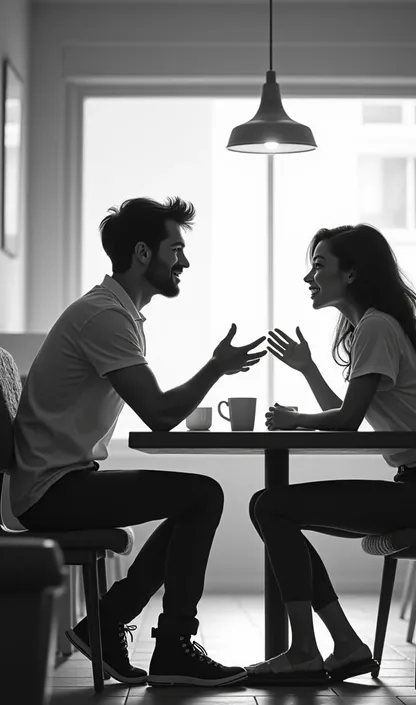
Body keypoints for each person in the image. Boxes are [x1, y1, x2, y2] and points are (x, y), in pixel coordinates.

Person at [11, 196, 267, 688]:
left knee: (194, 499)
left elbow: (157, 410)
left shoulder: (115, 312)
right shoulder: (105, 316)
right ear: (144, 253)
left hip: (60, 482)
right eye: (177, 249)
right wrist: (216, 366)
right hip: (51, 491)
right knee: (202, 494)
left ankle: (111, 624)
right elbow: (160, 413)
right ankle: (167, 646)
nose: (185, 262)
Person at [247, 223, 416, 684]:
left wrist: (297, 421)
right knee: (272, 507)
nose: (309, 277)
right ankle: (340, 647)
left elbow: (346, 421)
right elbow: (347, 411)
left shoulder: (375, 326)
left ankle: (310, 650)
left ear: (350, 274)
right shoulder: (372, 326)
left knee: (272, 506)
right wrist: (309, 369)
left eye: (318, 265)